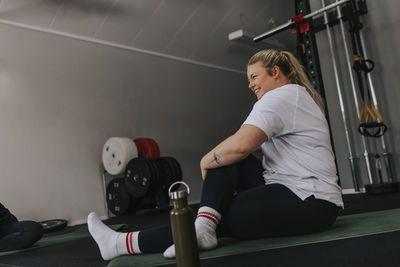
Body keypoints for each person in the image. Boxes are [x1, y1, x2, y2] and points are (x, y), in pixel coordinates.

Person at [87, 49, 343, 260]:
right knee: (220, 186)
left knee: (219, 209)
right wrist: (217, 159)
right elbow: (236, 149)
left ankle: (122, 243)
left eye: (255, 77)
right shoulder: (296, 96)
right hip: (300, 193)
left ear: (275, 72)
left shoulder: (280, 97)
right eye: (249, 79)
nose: (250, 84)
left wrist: (205, 160)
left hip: (310, 202)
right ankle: (203, 228)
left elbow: (241, 145)